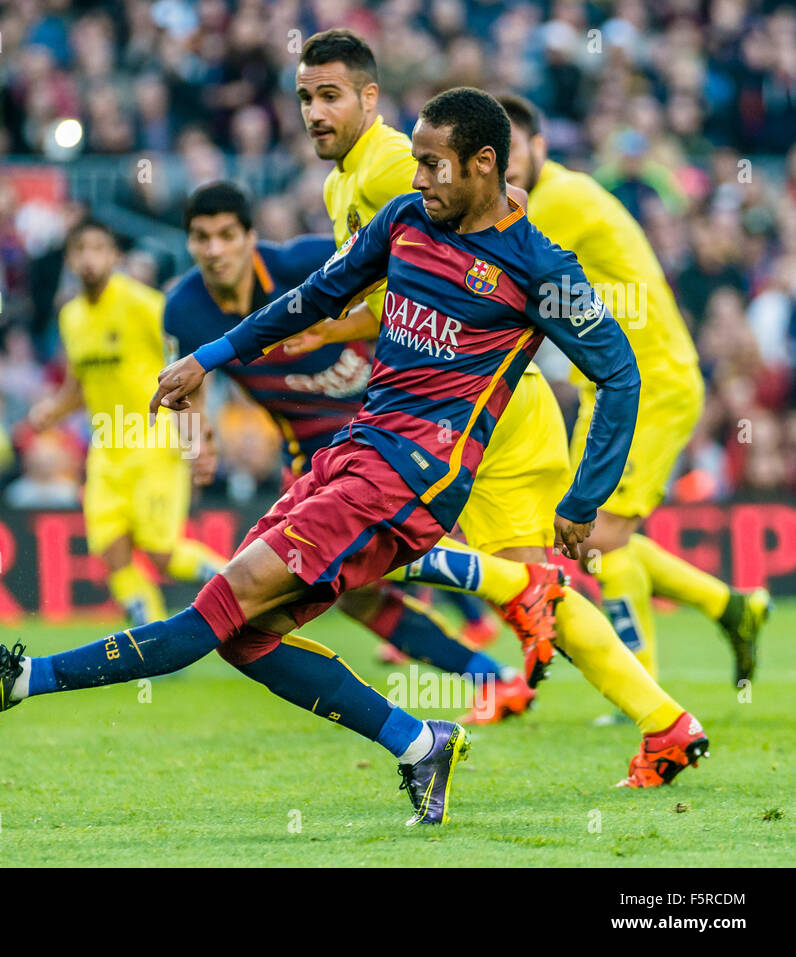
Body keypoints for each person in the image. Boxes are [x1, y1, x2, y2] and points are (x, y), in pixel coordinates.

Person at [0, 88, 696, 825]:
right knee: (246, 638)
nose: (419, 178)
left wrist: (582, 499)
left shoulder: (541, 268)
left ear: (483, 164)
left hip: (413, 478)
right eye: (416, 161)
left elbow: (620, 372)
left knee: (216, 608)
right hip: (351, 453)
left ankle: (19, 677)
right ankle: (418, 741)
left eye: (434, 165)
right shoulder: (406, 219)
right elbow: (315, 296)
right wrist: (211, 357)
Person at [280, 31, 709, 785]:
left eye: (329, 95)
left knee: (375, 542)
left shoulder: (390, 171)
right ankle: (667, 723)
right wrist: (338, 324)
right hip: (474, 406)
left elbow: (468, 271)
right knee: (536, 583)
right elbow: (408, 290)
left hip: (468, 409)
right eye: (306, 97)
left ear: (370, 99)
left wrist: (325, 325)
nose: (315, 111)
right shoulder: (344, 183)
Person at [170, 180, 532, 723]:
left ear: (251, 237)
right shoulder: (184, 309)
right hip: (313, 453)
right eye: (202, 238)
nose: (215, 249)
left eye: (227, 235)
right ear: (190, 244)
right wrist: (198, 439)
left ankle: (517, 590)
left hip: (382, 433)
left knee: (367, 566)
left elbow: (399, 287)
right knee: (359, 595)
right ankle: (491, 674)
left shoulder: (304, 262)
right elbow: (188, 382)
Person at [500, 93, 770, 688]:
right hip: (605, 387)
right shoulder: (538, 201)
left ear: (540, 146)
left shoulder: (559, 200)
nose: (506, 165)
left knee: (592, 536)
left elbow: (501, 275)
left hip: (647, 383)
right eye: (494, 155)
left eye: (514, 149)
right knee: (583, 537)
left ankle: (642, 687)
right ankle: (731, 607)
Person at [28, 219, 226, 626]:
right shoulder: (71, 316)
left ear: (114, 257)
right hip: (107, 450)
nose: (88, 258)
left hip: (154, 443)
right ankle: (153, 644)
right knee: (112, 553)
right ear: (69, 258)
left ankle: (242, 582)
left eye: (98, 248)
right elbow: (79, 384)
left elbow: (191, 363)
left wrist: (198, 434)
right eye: (80, 250)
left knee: (161, 555)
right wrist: (53, 410)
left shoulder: (145, 304)